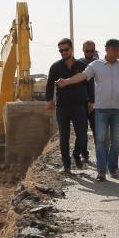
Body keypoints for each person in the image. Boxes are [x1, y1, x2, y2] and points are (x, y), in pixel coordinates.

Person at [56, 38, 119, 181]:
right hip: (101, 110)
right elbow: (82, 76)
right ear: (107, 49)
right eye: (115, 51)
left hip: (118, 109)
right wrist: (67, 81)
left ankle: (112, 168)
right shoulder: (96, 65)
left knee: (115, 141)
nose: (118, 53)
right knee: (100, 140)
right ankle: (101, 171)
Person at [45, 37, 91, 173]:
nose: (64, 52)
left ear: (71, 49)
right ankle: (66, 165)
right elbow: (49, 85)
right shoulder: (55, 67)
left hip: (79, 105)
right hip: (63, 107)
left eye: (66, 50)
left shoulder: (82, 66)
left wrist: (91, 100)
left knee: (82, 134)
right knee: (64, 137)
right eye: (61, 51)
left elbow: (90, 84)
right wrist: (49, 100)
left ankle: (77, 154)